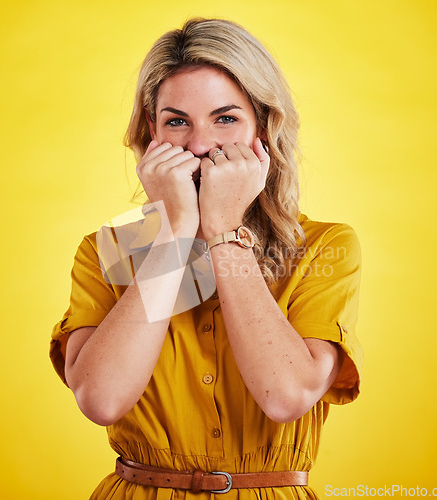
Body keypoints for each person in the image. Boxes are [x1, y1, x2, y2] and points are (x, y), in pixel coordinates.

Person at [50, 17, 362, 499]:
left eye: (226, 118)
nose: (198, 145)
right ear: (151, 132)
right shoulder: (105, 251)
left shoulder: (326, 247)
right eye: (177, 121)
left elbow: (285, 396)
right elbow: (102, 399)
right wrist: (176, 233)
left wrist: (221, 229)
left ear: (264, 127)